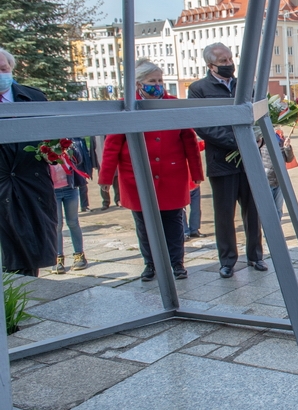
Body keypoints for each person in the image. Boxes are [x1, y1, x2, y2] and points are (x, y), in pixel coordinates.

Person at [100, 59, 203, 281]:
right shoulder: (126, 105)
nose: (157, 85)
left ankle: (176, 263)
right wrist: (106, 178)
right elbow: (112, 144)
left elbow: (189, 140)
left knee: (174, 222)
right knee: (144, 224)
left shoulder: (173, 104)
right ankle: (151, 264)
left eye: (160, 80)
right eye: (152, 81)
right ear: (139, 84)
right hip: (136, 176)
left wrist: (196, 173)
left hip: (171, 174)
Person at [190, 43, 266, 278]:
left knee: (253, 212)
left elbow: (258, 114)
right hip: (221, 162)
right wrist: (238, 142)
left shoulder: (243, 86)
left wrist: (259, 137)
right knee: (224, 214)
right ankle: (228, 260)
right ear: (210, 65)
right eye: (222, 61)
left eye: (230, 59)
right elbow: (204, 126)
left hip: (249, 160)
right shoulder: (198, 89)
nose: (228, 64)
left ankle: (255, 256)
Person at [0, 47, 57, 277]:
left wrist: (56, 151)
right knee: (8, 260)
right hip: (2, 190)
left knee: (29, 260)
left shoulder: (33, 97)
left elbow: (53, 138)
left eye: (3, 68)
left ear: (11, 68)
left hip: (31, 189)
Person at [50, 142, 88, 273]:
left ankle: (79, 255)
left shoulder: (68, 143)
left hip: (69, 189)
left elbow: (79, 159)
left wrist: (69, 147)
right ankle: (57, 258)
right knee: (57, 224)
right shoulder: (43, 147)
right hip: (53, 191)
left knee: (73, 222)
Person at [260, 128, 294, 219]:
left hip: (280, 180)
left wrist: (287, 147)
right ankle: (269, 233)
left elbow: (289, 159)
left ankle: (277, 232)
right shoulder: (262, 140)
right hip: (267, 179)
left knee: (278, 209)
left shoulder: (281, 141)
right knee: (269, 209)